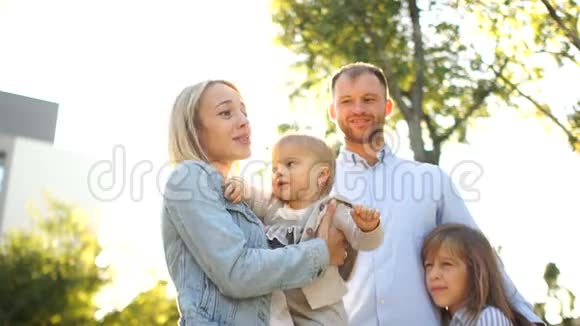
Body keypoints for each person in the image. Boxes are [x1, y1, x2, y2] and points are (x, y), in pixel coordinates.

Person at [327, 62, 543, 325]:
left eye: (369, 99)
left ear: (387, 107)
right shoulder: (317, 187)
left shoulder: (430, 180)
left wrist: (528, 316)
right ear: (333, 111)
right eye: (347, 101)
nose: (358, 109)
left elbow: (480, 253)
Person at [161, 80, 349, 325]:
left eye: (244, 112)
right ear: (193, 130)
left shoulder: (240, 197)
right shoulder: (189, 177)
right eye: (226, 113)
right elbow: (237, 272)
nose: (243, 121)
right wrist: (321, 253)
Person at [224, 134, 384, 325]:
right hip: (281, 309)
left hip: (321, 311)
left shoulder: (333, 209)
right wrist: (239, 186)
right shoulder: (272, 205)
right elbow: (250, 196)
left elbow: (363, 242)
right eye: (275, 168)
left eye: (290, 164)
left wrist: (368, 228)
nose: (278, 172)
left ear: (322, 175)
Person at [422, 223, 531, 326]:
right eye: (429, 265)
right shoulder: (445, 321)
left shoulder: (489, 317)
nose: (433, 275)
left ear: (475, 272)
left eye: (447, 264)